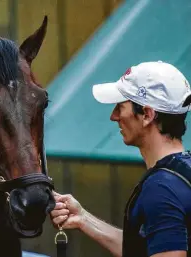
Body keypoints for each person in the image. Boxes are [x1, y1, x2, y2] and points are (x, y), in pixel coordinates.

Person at [51, 61, 191, 257]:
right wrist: (83, 218)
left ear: (147, 115)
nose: (113, 116)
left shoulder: (161, 188)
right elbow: (144, 248)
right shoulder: (181, 174)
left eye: (120, 106)